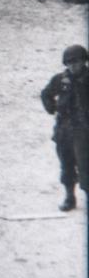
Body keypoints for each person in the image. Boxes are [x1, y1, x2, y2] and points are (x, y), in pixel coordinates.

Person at [41, 44, 89, 211]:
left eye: (77, 62)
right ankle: (70, 197)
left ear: (84, 61)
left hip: (84, 131)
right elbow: (46, 94)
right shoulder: (60, 80)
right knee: (67, 164)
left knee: (85, 165)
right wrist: (52, 107)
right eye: (69, 62)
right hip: (64, 131)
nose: (73, 66)